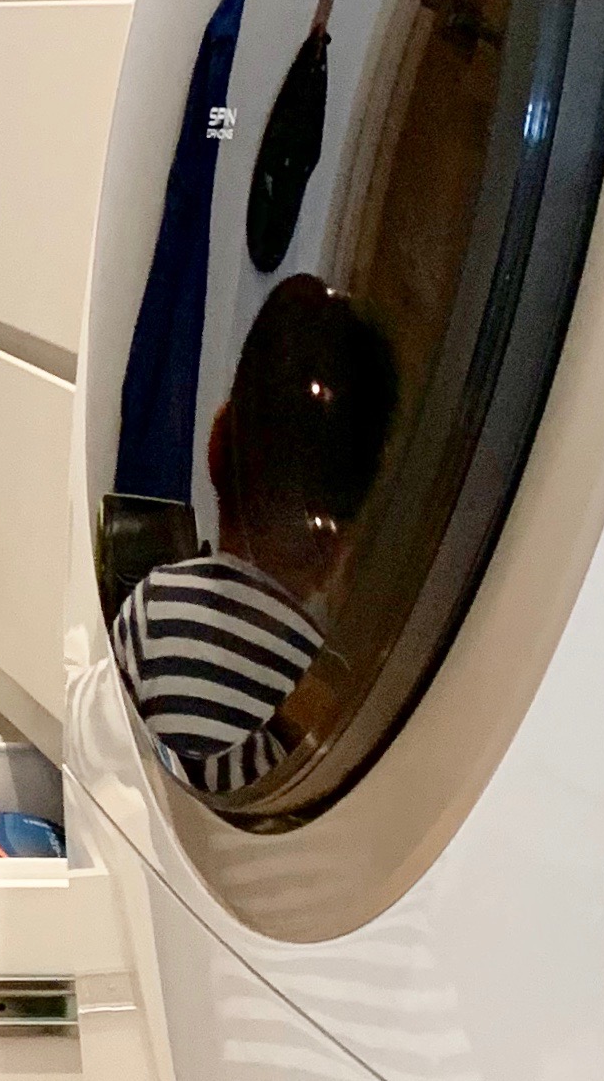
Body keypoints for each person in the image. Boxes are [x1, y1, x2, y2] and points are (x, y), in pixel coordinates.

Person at [111, 273, 397, 796]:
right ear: (345, 538)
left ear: (216, 448)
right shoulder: (330, 690)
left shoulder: (153, 608)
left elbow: (109, 763)